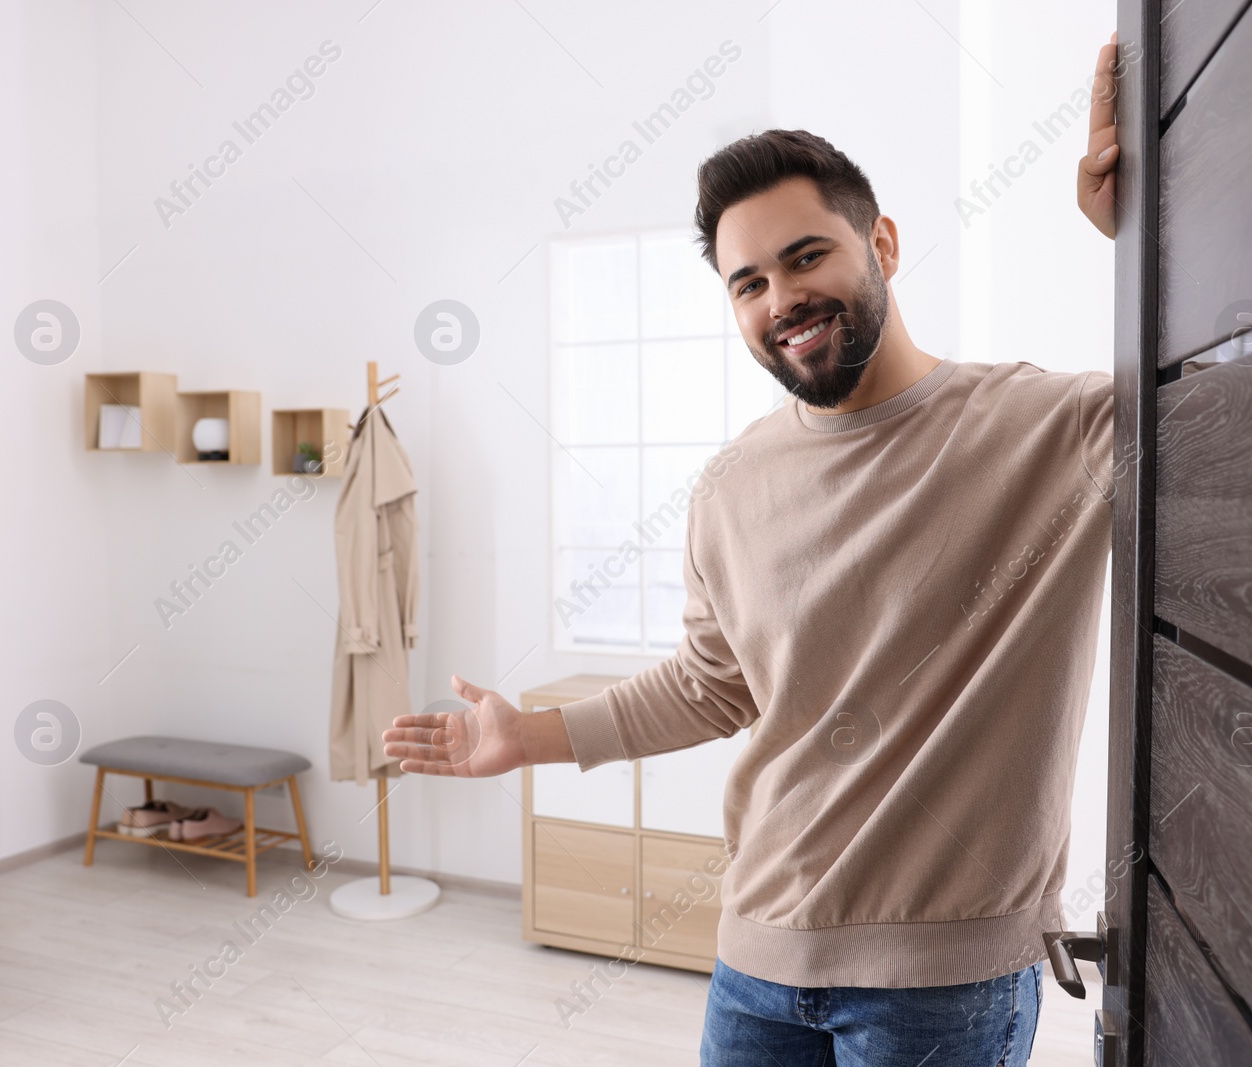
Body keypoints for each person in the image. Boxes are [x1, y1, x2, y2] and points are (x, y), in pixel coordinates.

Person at [384, 33, 1125, 1067]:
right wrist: (528, 736)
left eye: (806, 256)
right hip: (756, 964)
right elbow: (710, 683)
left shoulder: (1050, 428)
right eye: (748, 282)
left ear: (885, 244)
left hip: (940, 979)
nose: (781, 299)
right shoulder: (732, 484)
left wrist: (1140, 234)